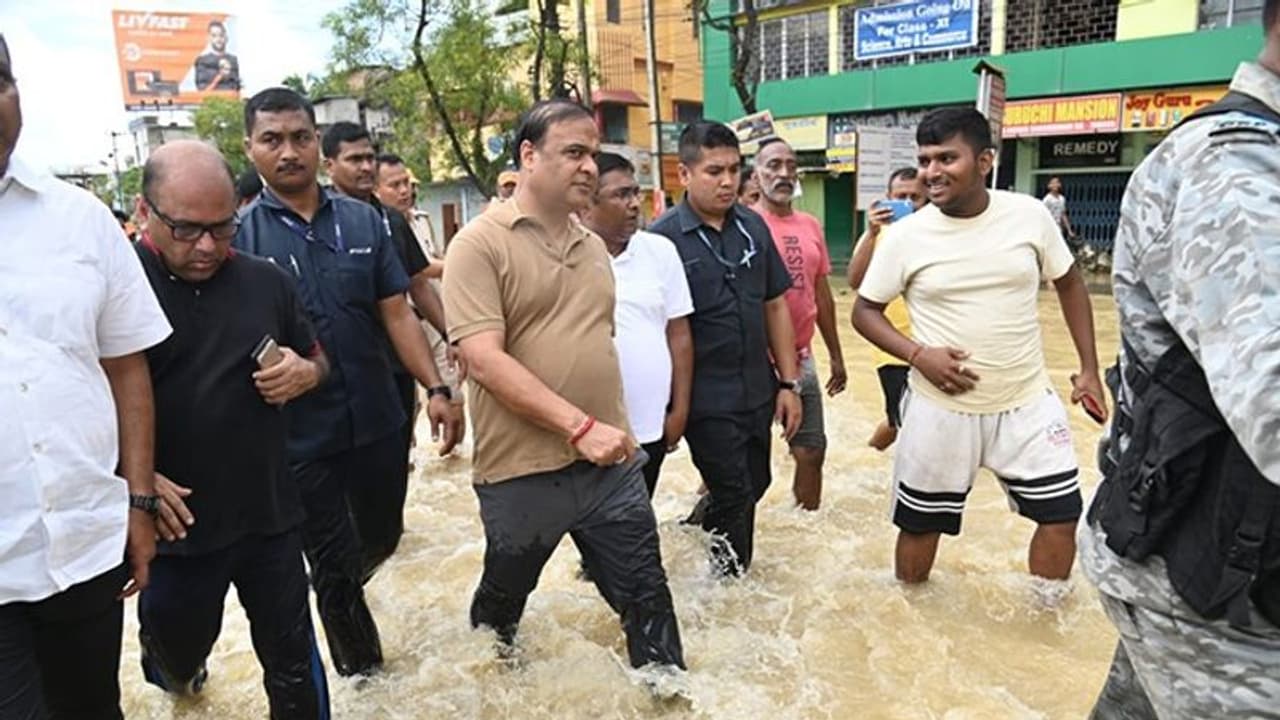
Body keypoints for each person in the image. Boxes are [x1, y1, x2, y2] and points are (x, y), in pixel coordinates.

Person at [1080, 9, 1280, 716]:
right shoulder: (1235, 169)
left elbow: (1070, 292)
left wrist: (1080, 369)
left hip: (1210, 565)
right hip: (1213, 596)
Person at [444, 99, 685, 672]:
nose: (589, 168)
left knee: (646, 596)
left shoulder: (593, 248)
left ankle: (668, 697)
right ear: (528, 156)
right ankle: (489, 684)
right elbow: (482, 358)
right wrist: (578, 427)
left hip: (608, 466)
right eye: (573, 153)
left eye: (593, 155)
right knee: (504, 602)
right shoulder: (478, 246)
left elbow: (595, 345)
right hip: (522, 470)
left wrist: (617, 428)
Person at [233, 87, 461, 677]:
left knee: (383, 537)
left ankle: (332, 583)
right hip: (300, 439)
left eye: (300, 137)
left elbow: (396, 312)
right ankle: (366, 681)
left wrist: (436, 388)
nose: (289, 152)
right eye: (272, 140)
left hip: (380, 419)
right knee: (335, 568)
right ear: (249, 148)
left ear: (317, 143)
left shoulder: (367, 221)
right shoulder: (240, 239)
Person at [852, 107, 1107, 585]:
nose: (932, 172)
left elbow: (1070, 284)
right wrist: (917, 356)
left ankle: (1044, 621)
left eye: (947, 158)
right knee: (921, 527)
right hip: (940, 408)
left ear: (985, 161)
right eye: (925, 160)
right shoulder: (905, 236)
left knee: (1062, 516)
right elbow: (863, 311)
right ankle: (913, 620)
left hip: (1026, 401)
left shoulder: (1029, 215)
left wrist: (1089, 368)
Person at [0, 33, 172, 718]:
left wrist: (138, 504)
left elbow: (126, 368)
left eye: (0, 78)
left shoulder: (78, 220)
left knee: (93, 707)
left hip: (80, 546)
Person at [131, 141, 331, 717]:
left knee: (293, 662)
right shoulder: (116, 284)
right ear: (146, 213)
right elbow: (79, 403)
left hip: (268, 512)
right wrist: (134, 476)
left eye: (223, 228)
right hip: (175, 524)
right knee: (175, 655)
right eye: (188, 229)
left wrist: (305, 373)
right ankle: (173, 668)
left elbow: (320, 360)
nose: (207, 246)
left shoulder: (266, 281)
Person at [649, 121, 802, 576]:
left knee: (757, 482)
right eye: (714, 170)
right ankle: (728, 587)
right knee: (735, 491)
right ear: (685, 174)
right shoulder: (661, 240)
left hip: (757, 386)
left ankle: (700, 523)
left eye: (735, 170)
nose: (728, 181)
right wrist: (670, 407)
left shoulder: (753, 226)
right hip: (702, 397)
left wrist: (789, 383)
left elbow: (775, 305)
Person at [321, 122, 461, 463]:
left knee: (395, 464)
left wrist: (452, 336)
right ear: (329, 166)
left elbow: (417, 285)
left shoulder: (392, 221)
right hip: (335, 371)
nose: (365, 166)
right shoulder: (316, 221)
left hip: (397, 364)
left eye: (369, 157)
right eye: (355, 159)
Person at [580, 152, 694, 497]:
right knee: (599, 533)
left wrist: (679, 410)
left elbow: (679, 334)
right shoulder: (565, 256)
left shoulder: (660, 251)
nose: (634, 205)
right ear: (586, 204)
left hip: (649, 427)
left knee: (637, 522)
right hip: (584, 430)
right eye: (620, 195)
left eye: (635, 193)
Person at [750, 138, 847, 510]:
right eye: (774, 165)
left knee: (811, 451)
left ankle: (806, 532)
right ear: (756, 173)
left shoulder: (810, 224)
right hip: (753, 362)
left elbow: (819, 293)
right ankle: (702, 525)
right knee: (735, 463)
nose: (784, 173)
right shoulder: (743, 223)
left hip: (801, 357)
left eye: (791, 166)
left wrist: (837, 355)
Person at [847, 167, 927, 451]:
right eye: (900, 197)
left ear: (927, 197)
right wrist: (871, 233)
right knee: (905, 422)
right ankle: (876, 462)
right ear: (887, 199)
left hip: (936, 343)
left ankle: (870, 456)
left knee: (912, 420)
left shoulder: (939, 231)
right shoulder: (877, 236)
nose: (908, 204)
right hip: (891, 347)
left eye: (914, 197)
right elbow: (854, 281)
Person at [376, 152, 463, 406]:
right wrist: (463, 264)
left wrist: (451, 335)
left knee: (449, 395)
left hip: (418, 325)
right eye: (395, 185)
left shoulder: (405, 222)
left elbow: (418, 281)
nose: (404, 191)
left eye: (407, 184)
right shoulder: (356, 224)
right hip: (376, 346)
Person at [193, 20, 240, 91]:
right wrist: (220, 76)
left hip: (229, 101)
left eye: (221, 35)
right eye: (214, 35)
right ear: (209, 38)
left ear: (226, 38)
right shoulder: (202, 61)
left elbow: (236, 87)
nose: (218, 39)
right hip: (211, 101)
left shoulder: (233, 60)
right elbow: (202, 90)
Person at [1041, 176, 1077, 251]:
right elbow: (1043, 214)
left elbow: (1063, 215)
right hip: (1049, 228)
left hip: (1058, 228)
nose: (1055, 185)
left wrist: (1069, 230)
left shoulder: (1062, 199)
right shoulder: (1047, 199)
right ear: (1049, 186)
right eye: (1053, 183)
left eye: (1057, 182)